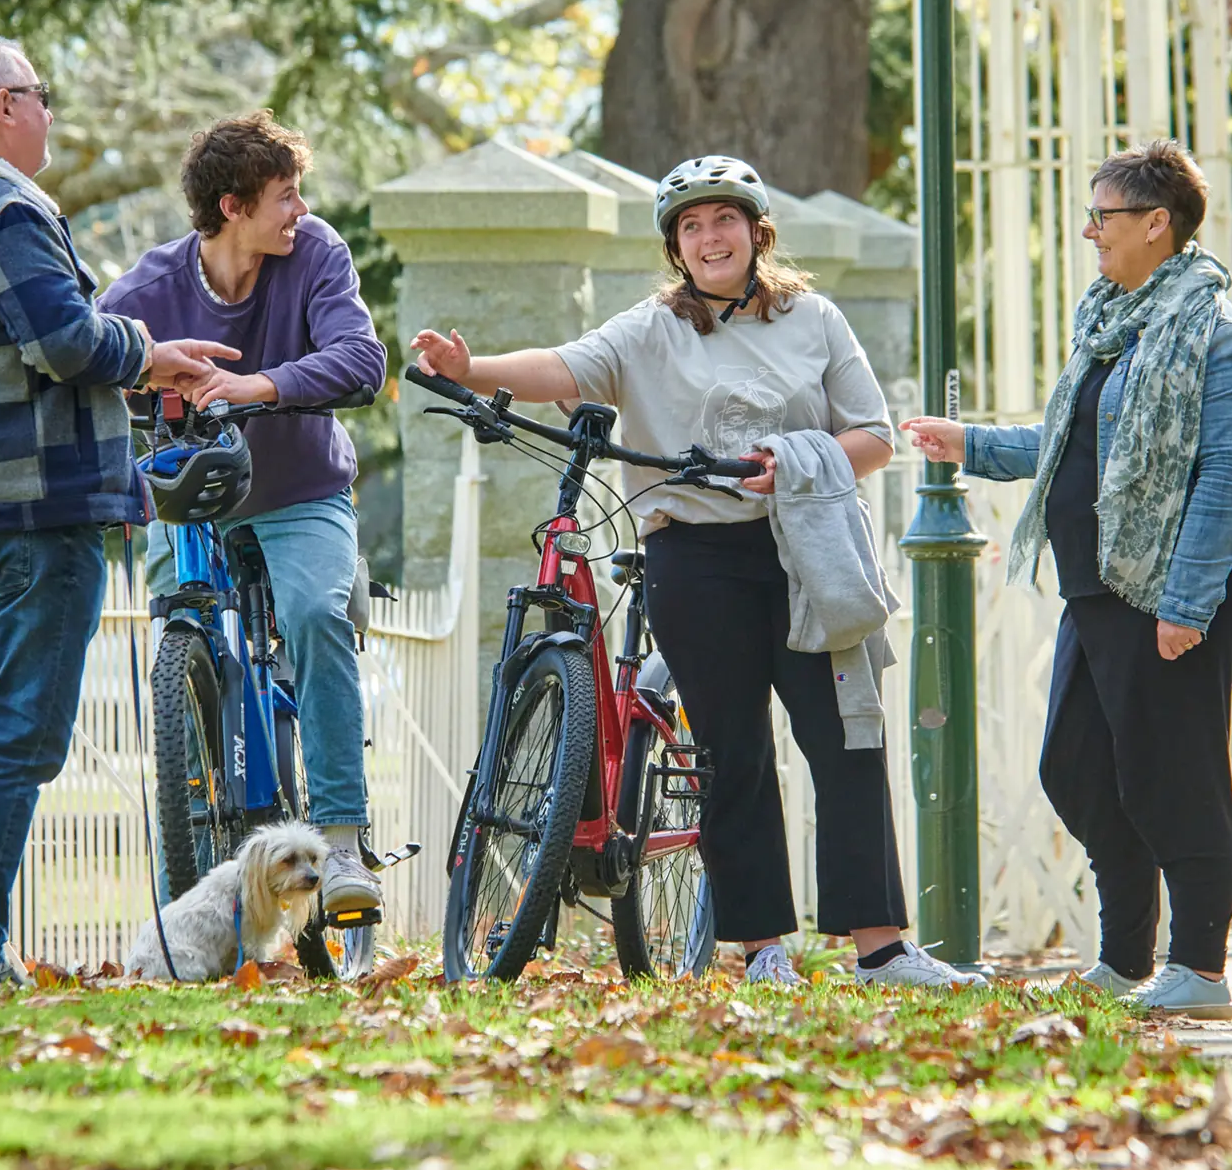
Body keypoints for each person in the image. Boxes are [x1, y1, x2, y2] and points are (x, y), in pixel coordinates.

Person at [410, 154, 983, 991]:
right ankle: (763, 951)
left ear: (757, 232)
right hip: (696, 559)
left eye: (725, 221)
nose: (710, 237)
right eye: (691, 226)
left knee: (846, 741)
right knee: (732, 753)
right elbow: (566, 367)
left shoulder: (815, 319)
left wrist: (792, 463)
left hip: (803, 552)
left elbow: (872, 435)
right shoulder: (649, 329)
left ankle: (883, 949)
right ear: (677, 247)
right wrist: (474, 370)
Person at [0, 39, 235, 983]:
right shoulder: (4, 210)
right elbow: (67, 344)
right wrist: (147, 348)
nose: (49, 112)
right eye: (41, 95)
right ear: (2, 106)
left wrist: (137, 352)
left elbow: (16, 356)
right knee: (21, 743)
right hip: (38, 516)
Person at [902, 139, 1232, 1020]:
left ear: (1156, 223)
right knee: (1079, 768)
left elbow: (1225, 477)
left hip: (1174, 591)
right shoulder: (1112, 320)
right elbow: (1074, 445)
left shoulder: (1216, 337)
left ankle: (1201, 971)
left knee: (1170, 773)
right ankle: (1126, 957)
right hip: (1099, 585)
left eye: (1102, 216)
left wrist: (1186, 604)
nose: (1088, 231)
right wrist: (973, 444)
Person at [103, 112, 388, 921]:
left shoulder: (316, 254)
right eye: (285, 196)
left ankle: (339, 842)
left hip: (302, 491)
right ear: (232, 207)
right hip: (191, 499)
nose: (301, 209)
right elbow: (89, 356)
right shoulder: (150, 288)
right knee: (179, 651)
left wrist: (254, 386)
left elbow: (364, 361)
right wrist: (138, 383)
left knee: (313, 614)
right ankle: (189, 884)